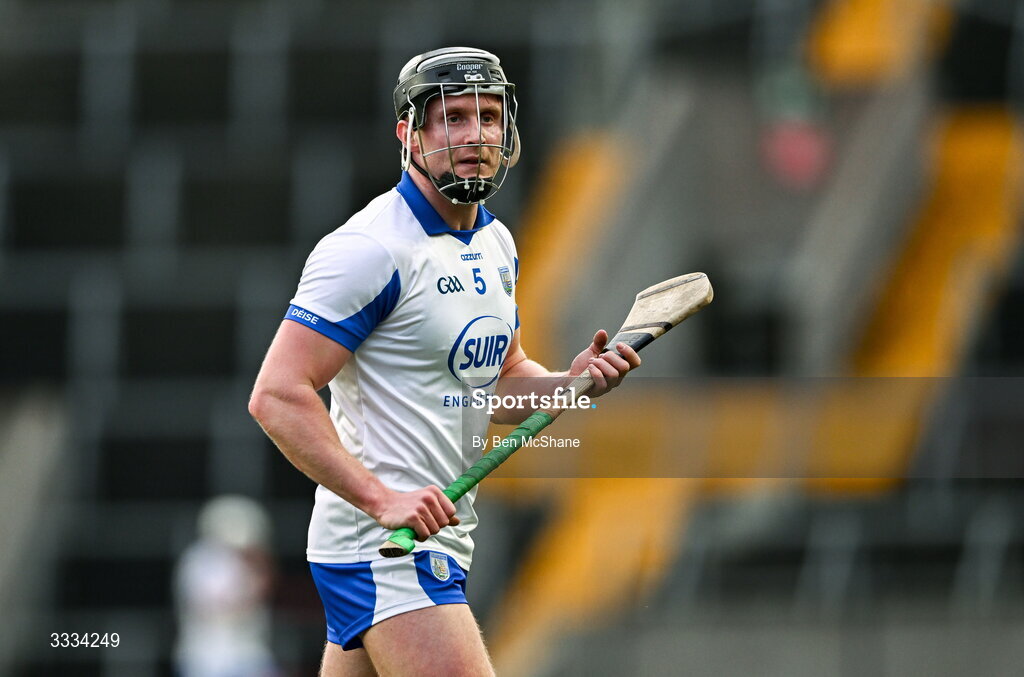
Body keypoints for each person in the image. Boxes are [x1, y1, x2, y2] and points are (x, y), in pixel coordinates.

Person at [248, 46, 641, 676]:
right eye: (453, 117)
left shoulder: (496, 241)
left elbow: (501, 382)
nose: (475, 135)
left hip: (439, 540)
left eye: (488, 116)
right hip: (385, 548)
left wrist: (569, 387)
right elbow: (276, 395)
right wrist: (380, 499)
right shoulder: (370, 249)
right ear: (409, 132)